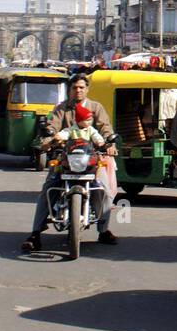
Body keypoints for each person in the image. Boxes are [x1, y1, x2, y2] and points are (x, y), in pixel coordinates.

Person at [21, 74, 118, 251]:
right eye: (75, 87)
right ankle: (35, 234)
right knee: (48, 189)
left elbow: (105, 129)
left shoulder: (96, 108)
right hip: (65, 159)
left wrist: (109, 144)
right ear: (70, 90)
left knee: (104, 190)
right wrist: (50, 137)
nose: (78, 90)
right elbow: (52, 127)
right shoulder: (61, 109)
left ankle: (103, 230)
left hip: (90, 160)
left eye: (81, 87)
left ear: (87, 89)